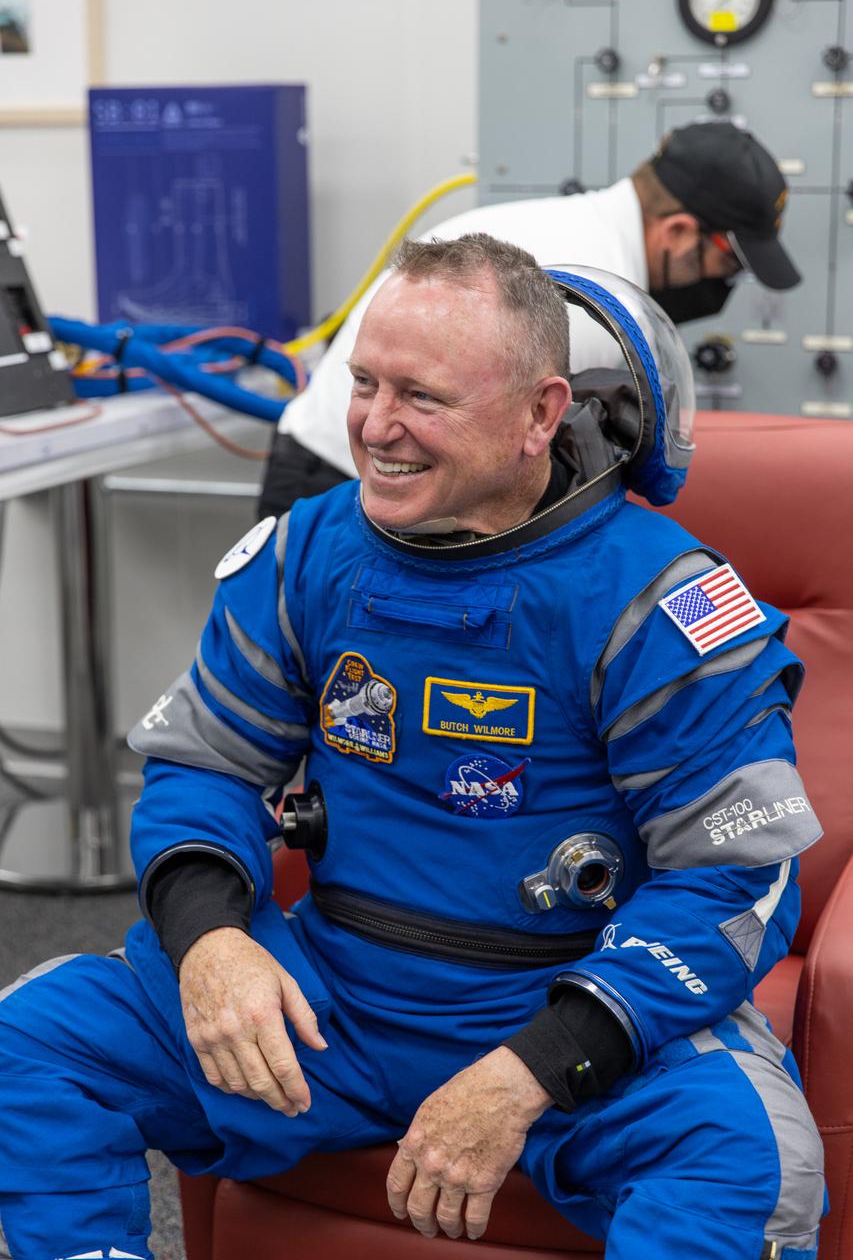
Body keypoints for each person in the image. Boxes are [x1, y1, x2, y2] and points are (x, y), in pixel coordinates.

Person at [0, 235, 825, 1260]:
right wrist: (211, 938)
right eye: (362, 383)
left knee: (747, 1155)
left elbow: (734, 876)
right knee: (35, 1037)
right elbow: (207, 762)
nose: (374, 428)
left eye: (421, 397)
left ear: (539, 413)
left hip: (567, 1002)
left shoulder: (658, 601)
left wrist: (534, 1065)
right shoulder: (307, 551)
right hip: (334, 992)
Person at [259, 120, 801, 519]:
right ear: (678, 232)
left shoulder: (572, 230)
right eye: (728, 262)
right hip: (346, 487)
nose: (725, 283)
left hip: (375, 475)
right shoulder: (588, 300)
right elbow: (520, 475)